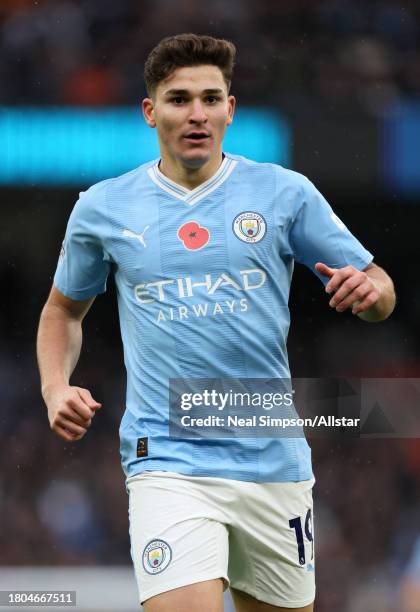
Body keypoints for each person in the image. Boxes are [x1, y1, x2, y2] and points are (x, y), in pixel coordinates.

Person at [36, 33, 396, 612]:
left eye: (210, 97)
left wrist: (370, 290)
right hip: (169, 460)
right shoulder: (103, 208)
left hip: (272, 458)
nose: (196, 113)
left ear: (231, 107)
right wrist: (55, 386)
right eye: (179, 99)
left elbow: (381, 290)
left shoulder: (283, 193)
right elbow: (63, 310)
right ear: (151, 112)